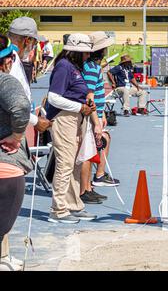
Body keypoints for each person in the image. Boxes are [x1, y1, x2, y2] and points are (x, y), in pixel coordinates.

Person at [45, 33, 97, 224]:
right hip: (64, 118)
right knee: (66, 163)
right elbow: (53, 97)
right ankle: (58, 209)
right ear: (75, 52)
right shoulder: (64, 67)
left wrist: (85, 105)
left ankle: (73, 204)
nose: (87, 56)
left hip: (75, 118)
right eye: (84, 53)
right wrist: (80, 107)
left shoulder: (72, 67)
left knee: (75, 163)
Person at [0, 35, 33, 271]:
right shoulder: (6, 82)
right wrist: (17, 136)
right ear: (8, 60)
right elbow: (21, 106)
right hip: (5, 167)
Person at [80, 31, 119, 205]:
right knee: (89, 153)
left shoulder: (94, 67)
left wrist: (101, 114)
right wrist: (96, 122)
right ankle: (86, 188)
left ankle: (93, 182)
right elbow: (90, 97)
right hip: (89, 116)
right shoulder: (91, 68)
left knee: (100, 144)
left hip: (96, 114)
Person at [7, 17, 52, 133]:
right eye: (35, 42)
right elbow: (11, 103)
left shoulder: (13, 58)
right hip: (9, 133)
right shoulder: (10, 62)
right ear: (27, 41)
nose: (34, 46)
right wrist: (36, 121)